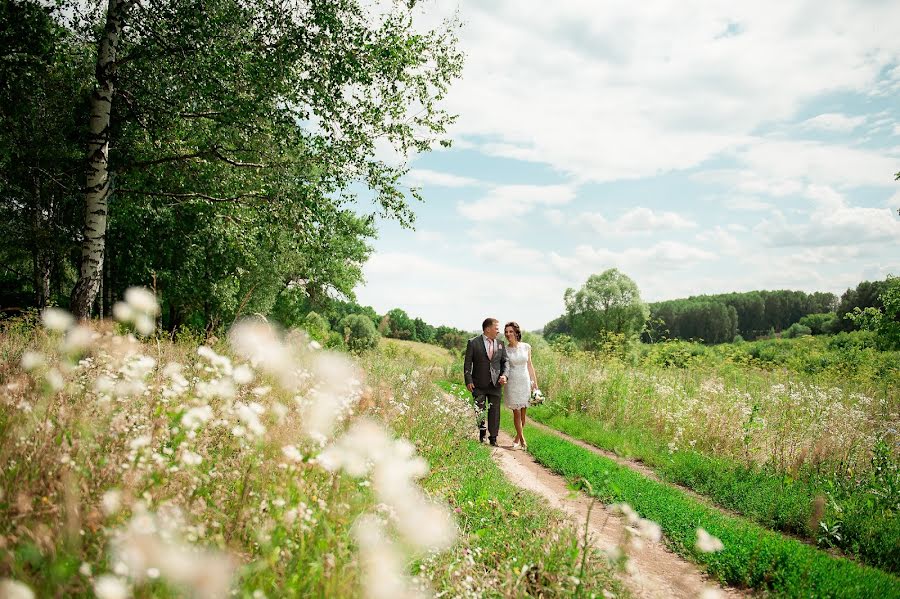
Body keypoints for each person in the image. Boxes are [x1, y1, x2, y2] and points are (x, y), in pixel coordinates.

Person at [463, 317, 509, 446]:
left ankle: (493, 438)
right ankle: (482, 432)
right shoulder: (473, 343)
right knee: (480, 409)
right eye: (496, 328)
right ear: (488, 329)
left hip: (496, 384)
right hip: (478, 384)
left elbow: (505, 361)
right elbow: (467, 364)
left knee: (495, 412)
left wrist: (505, 375)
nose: (498, 331)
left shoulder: (500, 344)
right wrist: (468, 380)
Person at [503, 321, 537, 449]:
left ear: (516, 332)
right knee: (516, 412)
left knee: (523, 414)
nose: (508, 334)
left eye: (511, 331)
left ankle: (517, 437)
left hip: (524, 381)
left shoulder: (526, 347)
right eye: (506, 332)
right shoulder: (505, 350)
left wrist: (535, 384)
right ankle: (522, 440)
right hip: (512, 382)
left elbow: (530, 365)